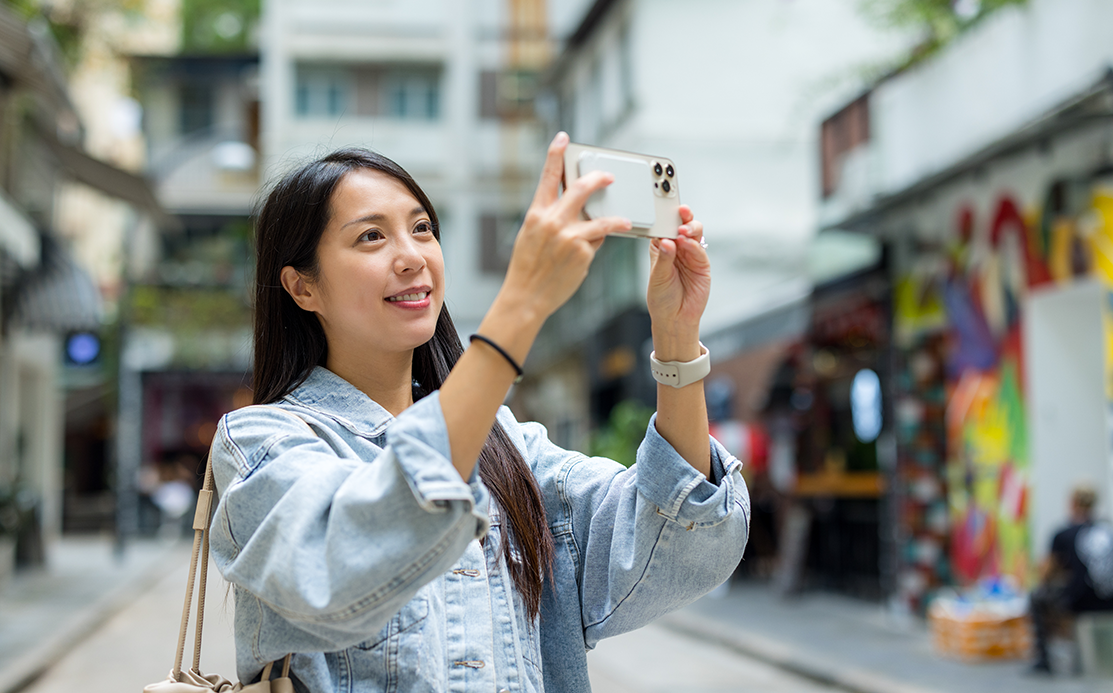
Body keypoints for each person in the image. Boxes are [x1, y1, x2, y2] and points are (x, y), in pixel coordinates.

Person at [208, 134, 750, 692]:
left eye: (423, 229)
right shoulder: (262, 443)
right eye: (371, 236)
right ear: (302, 288)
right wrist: (522, 305)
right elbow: (341, 564)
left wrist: (677, 337)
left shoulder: (506, 449)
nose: (413, 256)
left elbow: (679, 536)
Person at [1029, 484, 1113, 674]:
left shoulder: (1064, 533)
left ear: (1072, 503)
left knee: (1037, 597)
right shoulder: (1110, 530)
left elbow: (1046, 573)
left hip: (1083, 601)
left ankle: (1044, 661)